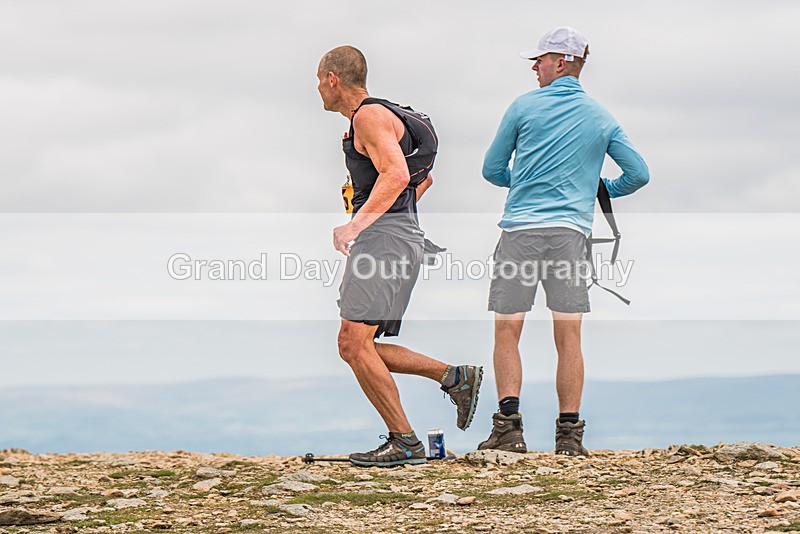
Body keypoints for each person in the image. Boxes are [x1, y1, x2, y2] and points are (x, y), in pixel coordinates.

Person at [479, 27, 650, 456]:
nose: (534, 67)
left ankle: (509, 431)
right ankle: (569, 436)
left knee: (507, 330)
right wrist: (593, 187)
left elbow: (492, 170)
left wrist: (527, 181)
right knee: (569, 336)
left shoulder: (522, 107)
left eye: (539, 60)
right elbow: (638, 174)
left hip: (521, 231)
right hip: (570, 235)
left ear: (561, 62)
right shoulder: (601, 117)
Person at [316, 45, 483, 467]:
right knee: (357, 344)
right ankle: (453, 377)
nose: (317, 89)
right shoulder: (387, 116)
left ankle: (405, 441)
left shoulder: (368, 117)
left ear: (333, 79)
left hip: (384, 243)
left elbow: (396, 174)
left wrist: (356, 225)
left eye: (318, 80)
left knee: (353, 344)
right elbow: (420, 181)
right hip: (399, 239)